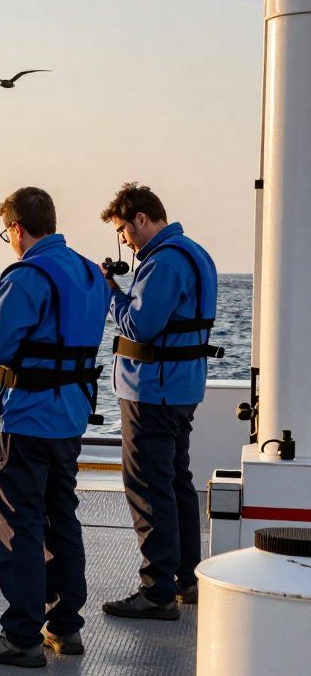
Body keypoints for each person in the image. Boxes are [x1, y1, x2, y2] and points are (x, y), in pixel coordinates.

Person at [0, 187, 111, 667]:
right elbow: (57, 328)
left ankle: (21, 636)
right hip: (68, 417)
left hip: (22, 420)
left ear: (18, 228)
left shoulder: (24, 275)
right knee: (61, 517)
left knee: (19, 526)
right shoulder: (89, 272)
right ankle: (66, 628)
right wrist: (1, 309)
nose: (9, 241)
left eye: (7, 233)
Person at [98, 182, 220, 619]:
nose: (124, 241)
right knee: (175, 482)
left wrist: (111, 291)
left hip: (153, 390)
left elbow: (140, 325)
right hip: (182, 388)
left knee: (148, 487)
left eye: (123, 230)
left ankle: (156, 591)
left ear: (142, 219)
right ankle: (187, 579)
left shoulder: (163, 264)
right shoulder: (195, 254)